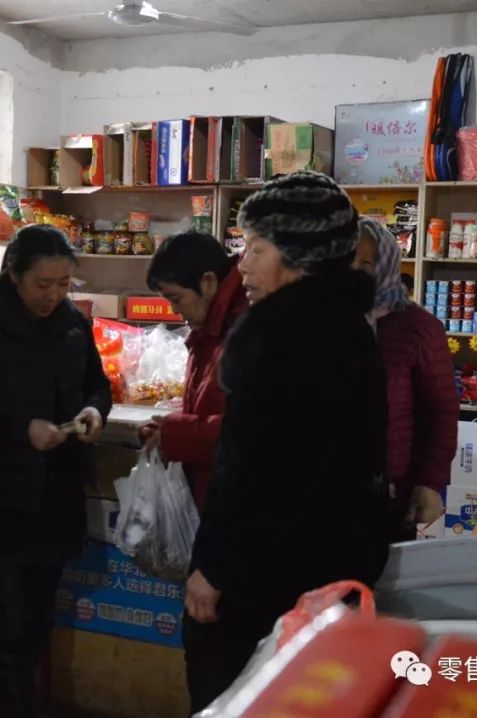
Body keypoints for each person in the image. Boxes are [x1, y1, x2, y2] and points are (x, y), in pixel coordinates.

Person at [186, 172, 393, 693]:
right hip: (329, 569)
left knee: (242, 693)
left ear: (300, 258)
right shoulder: (347, 326)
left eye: (257, 248)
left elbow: (265, 477)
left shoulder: (286, 342)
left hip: (271, 581)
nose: (243, 264)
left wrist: (215, 569)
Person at [0, 224, 113, 718]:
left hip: (59, 492)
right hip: (4, 496)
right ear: (14, 274)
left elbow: (97, 385)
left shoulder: (73, 323)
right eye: (43, 284)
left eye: (63, 284)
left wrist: (93, 412)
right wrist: (23, 430)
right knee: (13, 620)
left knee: (40, 618)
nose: (53, 295)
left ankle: (27, 705)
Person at [138, 231, 248, 713]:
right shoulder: (215, 325)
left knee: (219, 666)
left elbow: (249, 433)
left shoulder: (247, 329)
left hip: (234, 528)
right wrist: (171, 429)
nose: (175, 310)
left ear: (207, 281)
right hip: (213, 513)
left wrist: (178, 433)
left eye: (175, 298)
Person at [354, 217, 458, 539]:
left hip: (392, 495)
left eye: (366, 263)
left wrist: (429, 483)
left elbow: (440, 411)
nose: (353, 272)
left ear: (386, 265)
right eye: (344, 261)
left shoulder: (417, 328)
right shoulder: (323, 320)